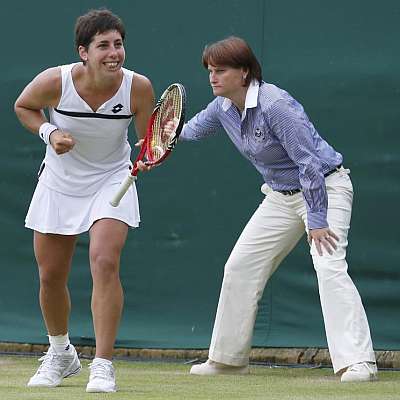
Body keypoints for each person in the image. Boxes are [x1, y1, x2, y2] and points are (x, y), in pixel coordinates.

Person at [177, 36, 377, 382]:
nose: (212, 77)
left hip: (324, 188)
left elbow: (309, 163)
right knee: (240, 266)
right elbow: (191, 130)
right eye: (210, 70)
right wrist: (162, 139)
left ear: (244, 73)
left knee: (329, 267)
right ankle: (227, 360)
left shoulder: (275, 105)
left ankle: (359, 362)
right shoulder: (222, 107)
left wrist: (316, 218)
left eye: (220, 70)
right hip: (280, 197)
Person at [14, 8, 154, 393]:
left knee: (105, 261)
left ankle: (103, 365)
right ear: (83, 52)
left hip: (112, 180)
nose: (114, 53)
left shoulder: (138, 87)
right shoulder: (55, 81)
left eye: (119, 44)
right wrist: (48, 131)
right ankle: (61, 353)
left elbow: (147, 142)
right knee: (50, 275)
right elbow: (23, 107)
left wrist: (152, 152)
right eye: (103, 46)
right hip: (59, 182)